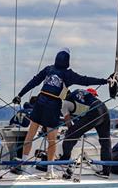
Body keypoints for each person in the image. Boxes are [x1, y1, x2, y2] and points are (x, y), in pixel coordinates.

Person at [12, 48, 111, 177]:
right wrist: (105, 81)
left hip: (40, 101)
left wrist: (20, 95)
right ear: (67, 61)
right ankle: (50, 171)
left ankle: (24, 165)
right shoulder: (68, 74)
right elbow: (86, 80)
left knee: (31, 134)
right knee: (51, 140)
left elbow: (34, 81)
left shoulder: (48, 69)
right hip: (52, 105)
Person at [58, 88, 112, 180]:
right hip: (103, 108)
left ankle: (65, 159)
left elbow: (68, 123)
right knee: (105, 141)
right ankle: (106, 171)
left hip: (94, 111)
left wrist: (75, 133)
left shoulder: (64, 103)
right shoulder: (77, 93)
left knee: (71, 133)